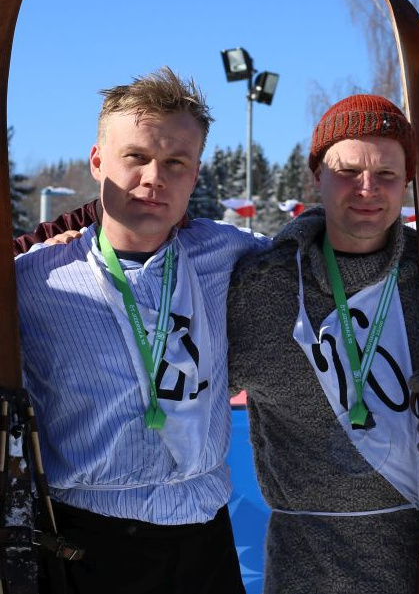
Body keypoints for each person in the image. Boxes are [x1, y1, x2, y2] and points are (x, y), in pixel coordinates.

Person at [226, 94, 419, 594]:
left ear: (407, 182)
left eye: (387, 175)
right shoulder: (263, 284)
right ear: (316, 174)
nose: (367, 189)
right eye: (348, 171)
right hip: (309, 564)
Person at [14, 68, 267, 594]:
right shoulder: (34, 281)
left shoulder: (226, 252)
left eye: (176, 163)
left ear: (195, 175)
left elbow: (320, 254)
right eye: (137, 157)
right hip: (90, 545)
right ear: (98, 161)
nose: (155, 177)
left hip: (205, 540)